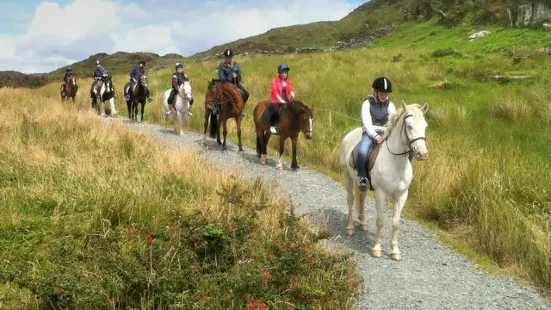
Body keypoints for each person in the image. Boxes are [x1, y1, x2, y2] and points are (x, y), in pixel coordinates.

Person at [357, 77, 396, 191]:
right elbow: (367, 123)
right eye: (382, 93)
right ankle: (362, 177)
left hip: (385, 133)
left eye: (386, 94)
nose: (384, 96)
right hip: (370, 133)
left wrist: (388, 134)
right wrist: (375, 136)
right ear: (376, 92)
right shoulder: (367, 103)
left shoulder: (390, 105)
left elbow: (393, 122)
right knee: (363, 151)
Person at [269, 63, 295, 134]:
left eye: (285, 73)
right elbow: (275, 91)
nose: (284, 74)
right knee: (276, 110)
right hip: (276, 100)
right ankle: (273, 125)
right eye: (282, 73)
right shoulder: (274, 81)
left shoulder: (288, 81)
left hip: (286, 99)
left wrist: (292, 93)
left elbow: (291, 88)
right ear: (279, 73)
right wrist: (280, 100)